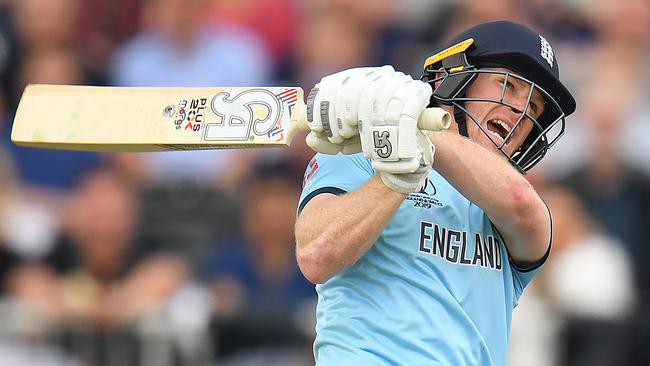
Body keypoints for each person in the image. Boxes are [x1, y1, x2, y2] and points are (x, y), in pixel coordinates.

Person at [294, 21, 576, 365]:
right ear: (450, 79)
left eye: (534, 108)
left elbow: (517, 200)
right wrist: (396, 178)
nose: (520, 110)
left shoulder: (515, 206)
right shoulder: (358, 152)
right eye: (508, 86)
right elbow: (316, 254)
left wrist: (409, 123)